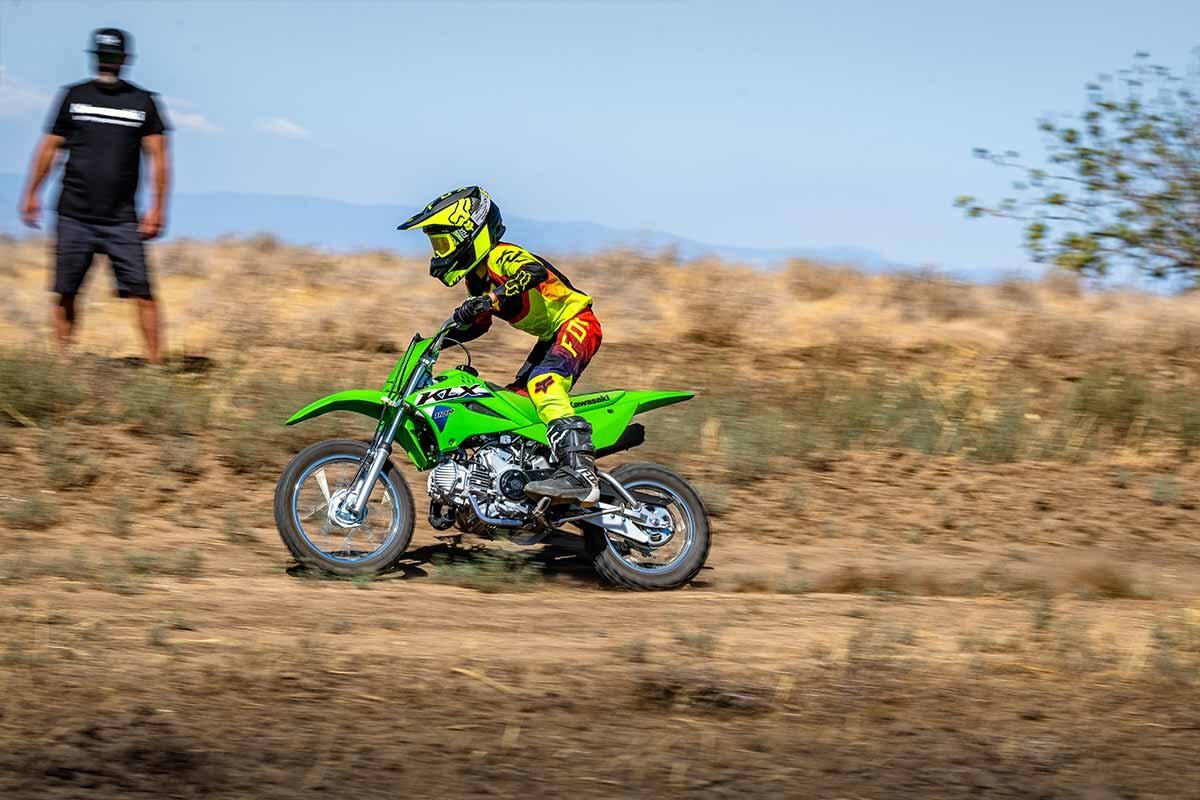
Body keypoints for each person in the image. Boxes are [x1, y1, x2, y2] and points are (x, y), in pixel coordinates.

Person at [399, 186, 603, 504]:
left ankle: (581, 474)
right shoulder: (476, 280)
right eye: (436, 245)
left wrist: (490, 298)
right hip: (550, 336)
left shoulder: (500, 256)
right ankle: (528, 478)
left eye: (443, 243)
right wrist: (438, 342)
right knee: (514, 405)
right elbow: (479, 324)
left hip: (577, 322)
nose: (439, 253)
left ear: (470, 234)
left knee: (544, 383)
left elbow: (533, 271)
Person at [19, 28, 170, 364]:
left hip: (122, 219)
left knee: (143, 292)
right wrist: (31, 193)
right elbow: (49, 149)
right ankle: (63, 362)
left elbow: (159, 158)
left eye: (112, 57)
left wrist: (158, 209)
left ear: (125, 60)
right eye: (101, 56)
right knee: (66, 291)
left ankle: (155, 366)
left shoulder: (143, 103)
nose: (106, 63)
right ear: (93, 57)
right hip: (74, 213)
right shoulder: (73, 97)